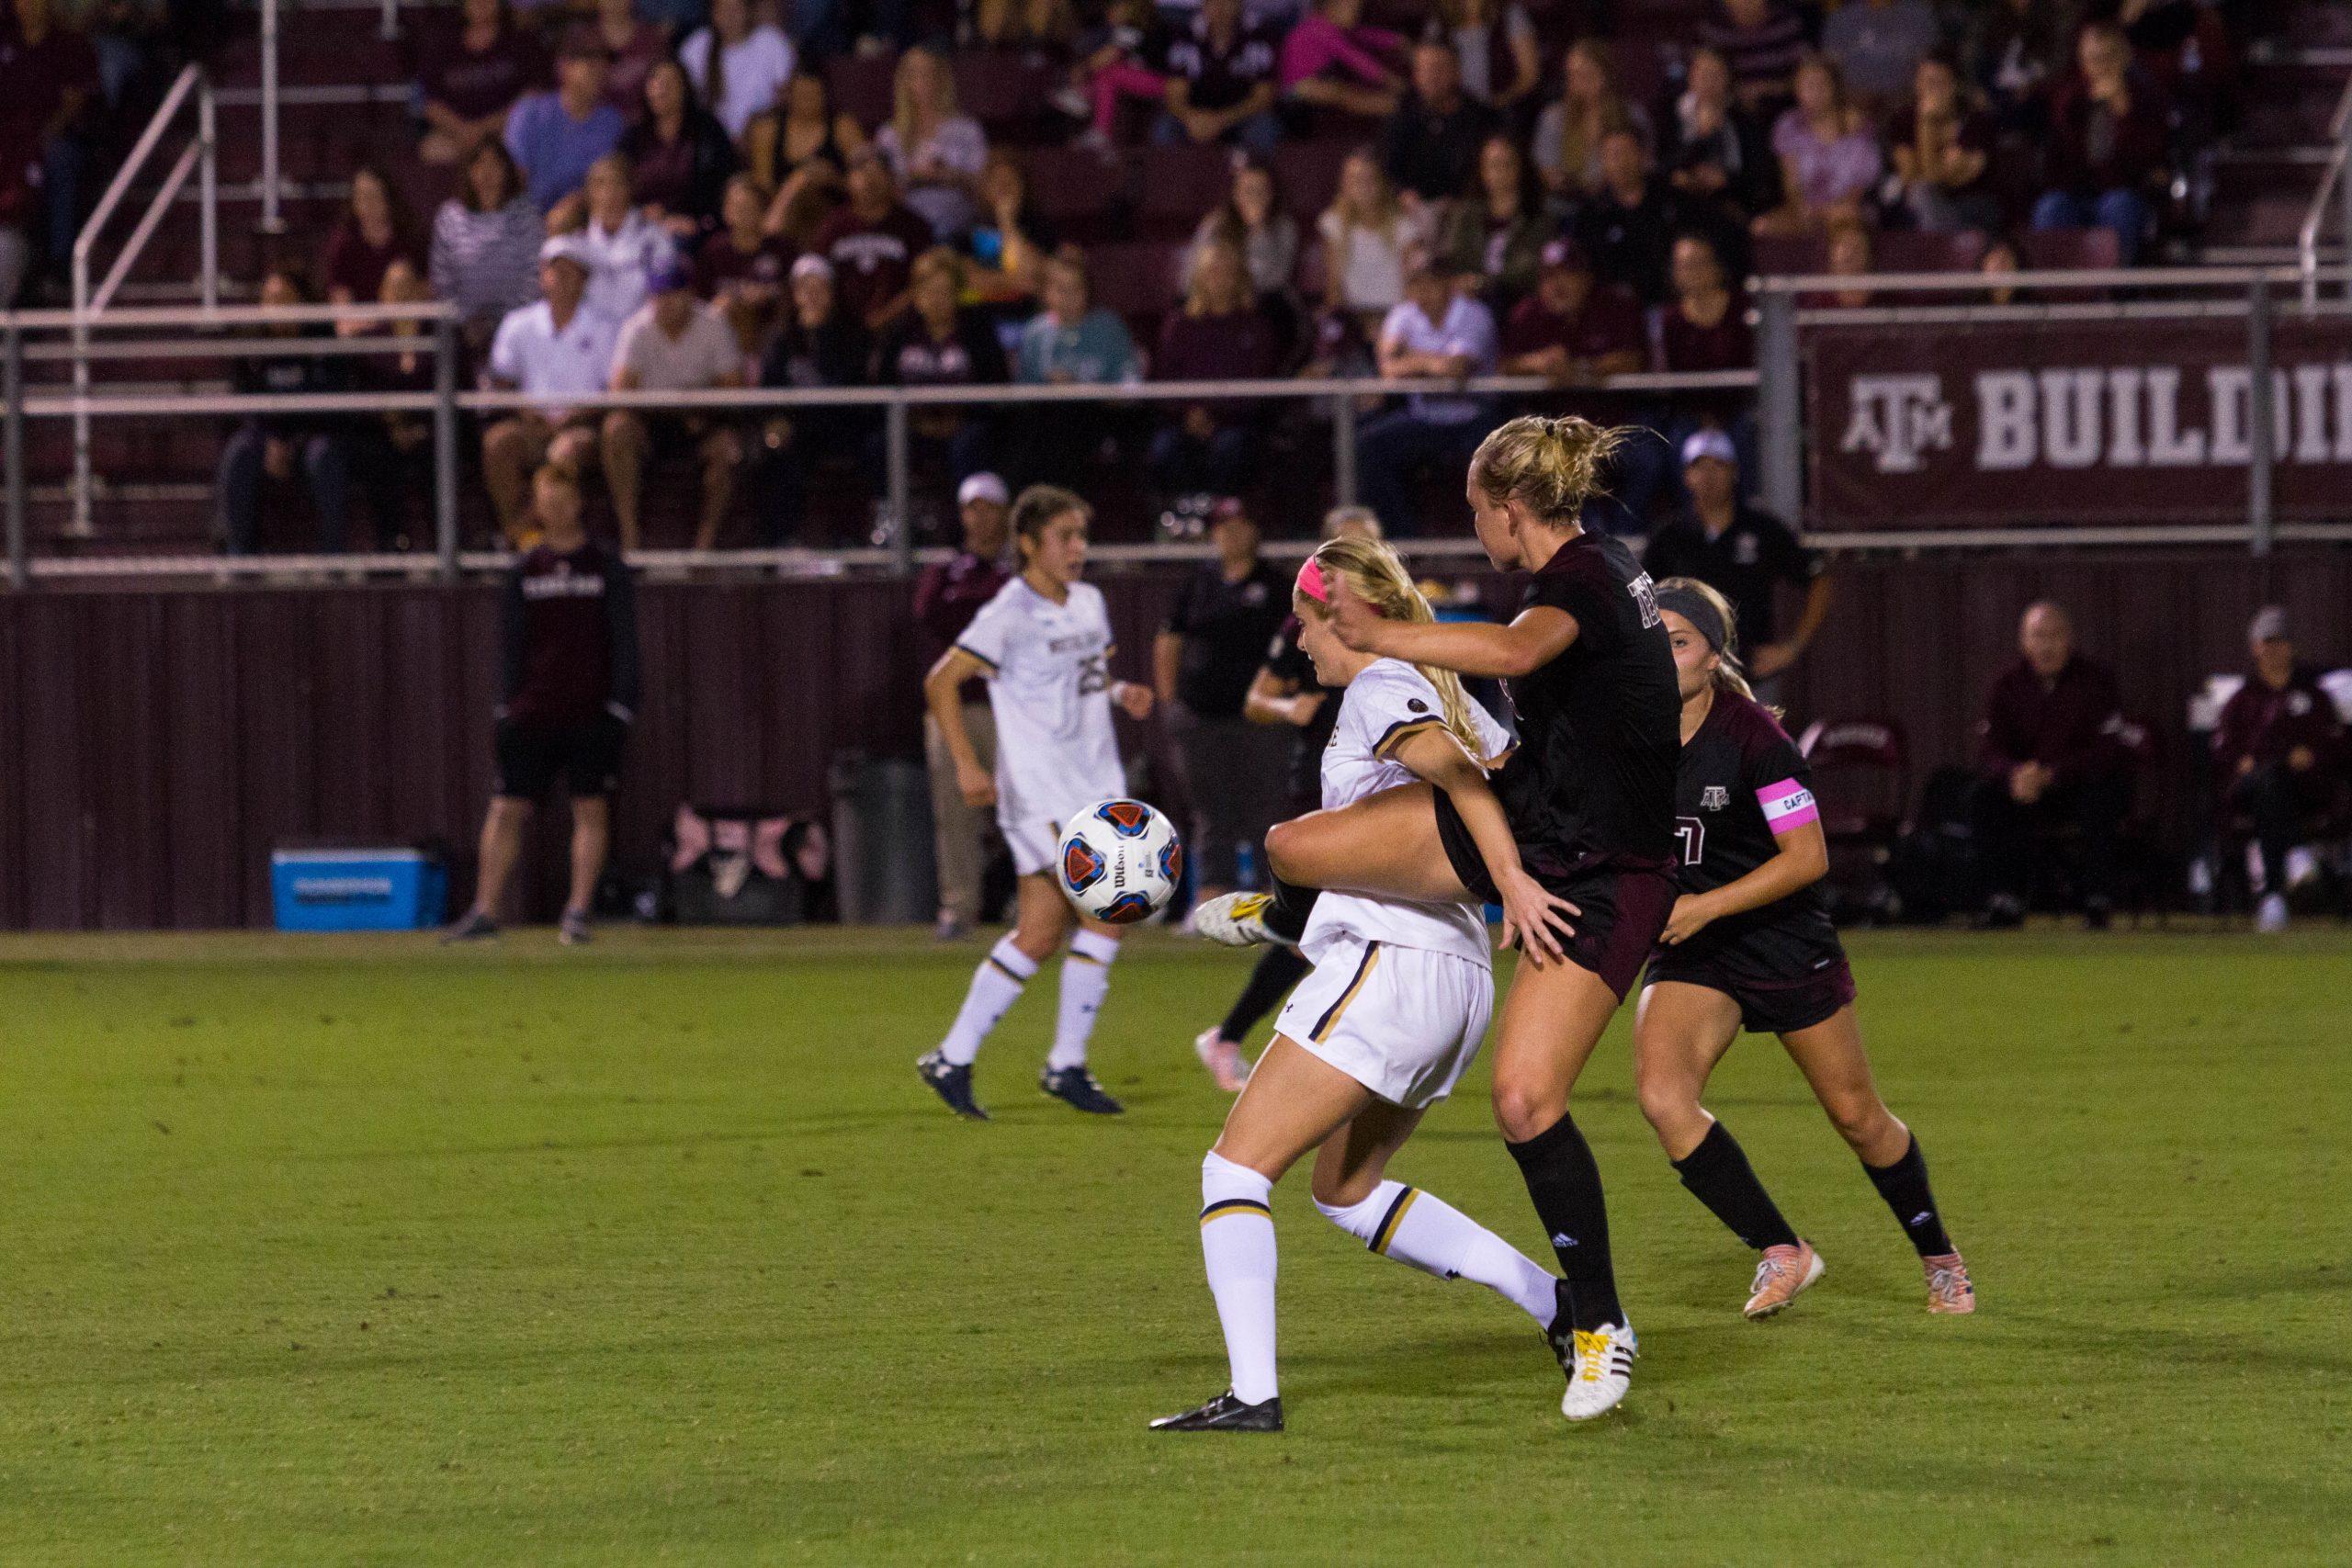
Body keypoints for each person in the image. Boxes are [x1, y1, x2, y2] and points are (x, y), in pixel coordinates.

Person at [1194, 414, 1681, 1421]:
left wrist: (1382, 636)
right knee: (1493, 1117)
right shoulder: (1593, 577)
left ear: (1510, 507)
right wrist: (1511, 867)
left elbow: (1505, 667)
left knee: (1290, 849)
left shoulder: (1574, 584)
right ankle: (1581, 1314)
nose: (1473, 527)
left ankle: (1272, 912)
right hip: (1531, 877)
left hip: (1569, 880)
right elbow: (1503, 738)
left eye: (1475, 510)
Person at [1151, 536, 1564, 1435]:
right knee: (1344, 1189)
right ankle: (1554, 1304)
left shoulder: (1382, 683)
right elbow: (1486, 782)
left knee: (1233, 1168)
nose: (1300, 643)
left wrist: (1509, 882)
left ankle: (1252, 1394)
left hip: (1390, 965)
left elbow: (1453, 778)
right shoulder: (1456, 689)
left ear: (1340, 611)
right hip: (1452, 980)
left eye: (1304, 621)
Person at [1634, 577, 1976, 1320]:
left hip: (1779, 938)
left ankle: (1940, 1257)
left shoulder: (1758, 739)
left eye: (1680, 641)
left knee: (1857, 1116)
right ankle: (1782, 1249)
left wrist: (1703, 906)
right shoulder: (1632, 735)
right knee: (1663, 1097)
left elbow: (1807, 857)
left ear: (1713, 654)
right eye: (1650, 638)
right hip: (1696, 950)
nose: (1662, 655)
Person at [916, 485, 1159, 1120]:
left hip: (1094, 784)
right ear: (1029, 544)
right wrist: (968, 762)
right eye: (1065, 537)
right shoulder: (1009, 611)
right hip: (1041, 791)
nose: (1078, 548)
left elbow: (1088, 674)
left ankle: (954, 1056)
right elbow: (940, 680)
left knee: (1041, 932)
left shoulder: (1088, 601)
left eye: (1082, 535)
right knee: (1108, 912)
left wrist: (1121, 690)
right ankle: (1065, 1063)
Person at [1193, 503, 1383, 1093]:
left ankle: (1249, 1030)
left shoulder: (1396, 622)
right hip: (1322, 783)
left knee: (1344, 926)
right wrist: (1288, 706)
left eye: (1368, 550)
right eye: (1345, 552)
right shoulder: (1304, 624)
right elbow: (1257, 699)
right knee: (1333, 924)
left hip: (1384, 782)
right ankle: (1241, 1035)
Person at [444, 461, 639, 948]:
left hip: (590, 713)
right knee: (507, 807)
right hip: (532, 713)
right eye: (543, 501)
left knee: (589, 808)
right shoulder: (524, 572)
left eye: (560, 499)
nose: (552, 509)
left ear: (577, 503)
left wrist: (621, 707)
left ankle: (577, 912)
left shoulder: (605, 567)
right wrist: (504, 709)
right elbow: (511, 645)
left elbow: (625, 641)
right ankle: (486, 910)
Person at [1156, 498, 1292, 905]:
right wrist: (1170, 703)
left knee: (1268, 808)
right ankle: (1213, 902)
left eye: (1241, 525)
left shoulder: (1277, 585)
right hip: (1200, 716)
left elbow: (1299, 644)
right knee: (1210, 813)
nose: (1232, 534)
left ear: (1255, 531)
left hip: (1262, 718)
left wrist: (1281, 696)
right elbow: (1169, 641)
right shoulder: (1197, 584)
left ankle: (1277, 903)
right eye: (1224, 526)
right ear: (1213, 533)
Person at [1971, 601, 2132, 931]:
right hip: (2026, 790)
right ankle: (2003, 899)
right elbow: (1989, 749)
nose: (2046, 645)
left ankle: (2097, 899)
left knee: (2104, 795)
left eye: (2054, 636)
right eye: (2038, 636)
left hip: (2077, 785)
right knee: (1982, 797)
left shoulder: (2096, 681)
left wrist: (2054, 774)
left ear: (2069, 639)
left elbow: (2106, 748)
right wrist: (2014, 774)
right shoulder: (2006, 685)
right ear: (2024, 642)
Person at [1640, 431, 1828, 697]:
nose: (1710, 475)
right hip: (1686, 681)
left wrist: (1792, 647)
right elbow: (1640, 598)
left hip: (1751, 677)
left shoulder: (1762, 530)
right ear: (1687, 476)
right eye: (1700, 466)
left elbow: (1819, 578)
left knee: (1758, 738)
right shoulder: (1669, 536)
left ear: (1735, 473)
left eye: (1719, 465)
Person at [916, 474, 1014, 941]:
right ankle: (959, 907)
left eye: (990, 507)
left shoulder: (1021, 570)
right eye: (973, 507)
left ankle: (1040, 904)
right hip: (957, 706)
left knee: (1031, 810)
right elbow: (932, 616)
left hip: (1015, 708)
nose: (982, 517)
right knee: (953, 811)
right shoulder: (945, 572)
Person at [2215, 607, 2347, 934]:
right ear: (2254, 647)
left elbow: (2335, 742)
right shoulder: (2241, 700)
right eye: (2266, 643)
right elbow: (2222, 747)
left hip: (2300, 789)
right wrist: (2238, 761)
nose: (2272, 651)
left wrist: (2312, 754)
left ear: (2290, 647)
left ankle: (2273, 899)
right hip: (2251, 786)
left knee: (2273, 789)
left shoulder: (2314, 697)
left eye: (2279, 642)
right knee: (2267, 779)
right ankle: (2297, 853)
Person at [482, 236, 620, 544]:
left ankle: (522, 534)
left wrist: (575, 417)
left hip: (583, 427)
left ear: (584, 280)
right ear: (543, 276)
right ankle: (522, 536)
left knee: (566, 451)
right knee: (499, 443)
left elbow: (614, 391)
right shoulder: (518, 324)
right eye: (555, 271)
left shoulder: (605, 327)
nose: (561, 279)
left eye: (571, 272)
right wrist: (524, 409)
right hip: (531, 425)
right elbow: (500, 382)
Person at [604, 258, 745, 551]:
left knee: (728, 448)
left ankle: (705, 545)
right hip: (651, 421)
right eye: (658, 295)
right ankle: (630, 539)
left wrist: (699, 407)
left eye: (672, 294)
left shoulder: (713, 324)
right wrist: (666, 404)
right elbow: (620, 393)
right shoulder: (638, 327)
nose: (664, 303)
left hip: (702, 422)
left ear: (689, 295)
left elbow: (733, 388)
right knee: (617, 429)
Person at [218, 267, 353, 556]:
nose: (276, 307)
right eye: (270, 299)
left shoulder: (322, 340)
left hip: (313, 433)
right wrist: (271, 439)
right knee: (239, 452)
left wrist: (293, 441)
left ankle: (334, 557)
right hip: (265, 437)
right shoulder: (250, 344)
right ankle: (240, 556)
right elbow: (241, 403)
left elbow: (331, 401)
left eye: (284, 299)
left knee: (324, 455)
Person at [1355, 265, 1498, 536]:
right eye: (1417, 285)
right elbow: (1388, 368)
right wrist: (1433, 362)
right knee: (1370, 445)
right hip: (1424, 418)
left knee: (1494, 459)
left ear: (1447, 284)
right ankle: (1402, 539)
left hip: (1474, 416)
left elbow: (1457, 369)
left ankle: (1489, 542)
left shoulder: (1473, 313)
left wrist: (1413, 358)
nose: (1423, 293)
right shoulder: (1404, 314)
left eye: (1431, 284)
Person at [752, 253, 871, 545]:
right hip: (797, 427)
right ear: (794, 294)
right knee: (774, 454)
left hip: (843, 423)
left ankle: (849, 541)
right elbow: (769, 389)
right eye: (806, 288)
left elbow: (852, 382)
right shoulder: (780, 337)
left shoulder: (853, 333)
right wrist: (774, 423)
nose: (813, 296)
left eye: (821, 288)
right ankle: (779, 541)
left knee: (863, 453)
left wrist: (822, 334)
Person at [1149, 238, 1281, 500]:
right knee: (1165, 448)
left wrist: (1218, 417)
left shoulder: (1255, 327)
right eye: (1212, 271)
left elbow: (1260, 384)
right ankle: (1186, 517)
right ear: (1198, 277)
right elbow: (1165, 377)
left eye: (1227, 271)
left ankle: (1224, 516)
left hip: (1237, 422)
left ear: (1239, 278)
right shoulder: (1179, 325)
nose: (1219, 278)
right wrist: (1190, 413)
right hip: (1183, 420)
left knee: (1230, 447)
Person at [874, 246, 1008, 491]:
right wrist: (914, 421)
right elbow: (881, 388)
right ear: (917, 295)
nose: (937, 300)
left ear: (958, 294)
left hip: (966, 427)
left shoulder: (978, 332)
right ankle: (898, 517)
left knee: (971, 445)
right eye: (929, 291)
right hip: (912, 428)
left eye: (945, 292)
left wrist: (960, 419)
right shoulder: (900, 334)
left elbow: (997, 387)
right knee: (879, 444)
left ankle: (964, 522)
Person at [2033, 21, 2167, 265]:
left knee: (2118, 205)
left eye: (2109, 57)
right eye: (2093, 59)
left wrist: (2123, 112)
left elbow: (2148, 162)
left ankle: (2115, 292)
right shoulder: (2071, 98)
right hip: (2076, 195)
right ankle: (2057, 294)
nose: (2101, 66)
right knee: (2050, 208)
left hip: (2126, 194)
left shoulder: (2146, 97)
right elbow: (2060, 158)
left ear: (2125, 57)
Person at [431, 137, 544, 354]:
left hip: (517, 329)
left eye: (494, 163)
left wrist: (503, 324)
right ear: (469, 171)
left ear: (507, 170)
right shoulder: (449, 217)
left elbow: (534, 276)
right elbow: (442, 280)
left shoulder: (527, 215)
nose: (486, 173)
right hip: (462, 333)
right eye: (479, 164)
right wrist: (465, 322)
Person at [1753, 52, 1882, 240]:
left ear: (1834, 88)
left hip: (1849, 210)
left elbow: (1859, 189)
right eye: (1808, 85)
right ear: (1797, 89)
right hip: (1805, 211)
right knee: (1761, 227)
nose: (1815, 92)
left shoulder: (1857, 126)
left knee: (1846, 218)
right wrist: (1804, 210)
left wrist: (1827, 212)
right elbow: (1791, 185)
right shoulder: (1788, 126)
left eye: (1822, 85)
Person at [1658, 44, 1781, 233]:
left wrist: (1727, 180)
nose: (1707, 81)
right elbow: (1664, 167)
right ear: (1691, 77)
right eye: (1701, 73)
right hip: (1680, 204)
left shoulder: (1744, 121)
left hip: (1732, 205)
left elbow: (1762, 177)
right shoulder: (1671, 114)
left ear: (1727, 80)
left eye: (1715, 74)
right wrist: (1702, 137)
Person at [810, 147, 935, 330]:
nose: (869, 181)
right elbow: (815, 274)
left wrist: (888, 315)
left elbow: (925, 280)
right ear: (848, 180)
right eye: (861, 173)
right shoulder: (833, 225)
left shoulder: (913, 225)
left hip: (901, 327)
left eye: (878, 173)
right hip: (840, 328)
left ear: (891, 179)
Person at [504, 28, 626, 216]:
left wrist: (575, 209)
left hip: (589, 225)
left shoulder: (613, 122)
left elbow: (613, 187)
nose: (600, 71)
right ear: (564, 67)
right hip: (529, 222)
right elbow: (512, 183)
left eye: (605, 65)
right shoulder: (530, 113)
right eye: (591, 63)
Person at [875, 45, 988, 243]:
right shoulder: (888, 135)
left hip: (958, 232)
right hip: (905, 232)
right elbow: (882, 188)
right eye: (914, 73)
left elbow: (983, 188)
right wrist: (911, 178)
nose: (922, 81)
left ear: (941, 78)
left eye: (928, 73)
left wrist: (952, 177)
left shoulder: (967, 129)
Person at [618, 58, 739, 243]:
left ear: (685, 88)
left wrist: (698, 223)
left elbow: (724, 183)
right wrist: (640, 213)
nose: (661, 89)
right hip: (640, 226)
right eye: (655, 82)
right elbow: (619, 183)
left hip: (695, 228)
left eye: (669, 82)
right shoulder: (634, 135)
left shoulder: (708, 131)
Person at [413, 0, 545, 166]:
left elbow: (533, 97)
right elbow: (430, 103)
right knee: (432, 150)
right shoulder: (443, 46)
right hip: (458, 137)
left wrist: (485, 129)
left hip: (508, 133)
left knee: (524, 147)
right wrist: (463, 131)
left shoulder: (522, 42)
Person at [744, 69, 865, 251]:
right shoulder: (768, 130)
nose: (808, 101)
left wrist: (832, 178)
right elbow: (763, 188)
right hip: (784, 219)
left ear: (826, 95)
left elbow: (867, 185)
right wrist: (796, 184)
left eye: (814, 95)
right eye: (802, 95)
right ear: (789, 95)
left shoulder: (843, 128)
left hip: (835, 217)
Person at [1500, 237, 1645, 386]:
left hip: (1606, 406)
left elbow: (1636, 361)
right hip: (1547, 408)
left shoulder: (1616, 305)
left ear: (1587, 277)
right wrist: (1540, 362)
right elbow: (1506, 366)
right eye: (1549, 276)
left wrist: (1583, 367)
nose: (1556, 285)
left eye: (1566, 274)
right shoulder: (1528, 312)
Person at [1885, 53, 1999, 234]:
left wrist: (1927, 123)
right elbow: (1911, 177)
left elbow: (1935, 178)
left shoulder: (1977, 122)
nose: (1931, 91)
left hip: (1971, 204)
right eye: (1926, 82)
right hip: (1918, 208)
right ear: (1916, 85)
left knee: (1924, 193)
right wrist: (1927, 122)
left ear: (1954, 86)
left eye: (1939, 83)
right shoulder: (1903, 121)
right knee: (1916, 196)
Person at [1154, 0, 1282, 157]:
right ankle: (1170, 180)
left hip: (1239, 115)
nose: (1221, 9)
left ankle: (1254, 179)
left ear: (1239, 6)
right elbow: (1174, 94)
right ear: (1204, 6)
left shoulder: (1258, 37)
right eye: (1214, 3)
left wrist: (1221, 120)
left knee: (1263, 125)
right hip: (1197, 116)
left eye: (1227, 3)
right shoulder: (1186, 36)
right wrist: (1192, 118)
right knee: (1165, 127)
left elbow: (1264, 96)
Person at [1378, 40, 1499, 205]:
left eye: (1438, 68)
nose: (1431, 76)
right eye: (1423, 69)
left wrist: (1461, 201)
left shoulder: (1481, 118)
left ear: (1456, 71)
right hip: (1414, 210)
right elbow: (1389, 168)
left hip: (1467, 209)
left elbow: (1487, 175)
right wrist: (1402, 192)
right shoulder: (1402, 114)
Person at [1572, 127, 1683, 306]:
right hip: (1617, 309)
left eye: (1627, 153)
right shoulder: (1591, 214)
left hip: (1671, 301)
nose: (1621, 162)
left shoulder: (1671, 199)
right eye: (1613, 155)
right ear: (1603, 162)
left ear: (1642, 156)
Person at [1532, 37, 1651, 203]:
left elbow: (1645, 164)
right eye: (1572, 75)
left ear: (1606, 74)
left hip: (1618, 201)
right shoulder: (1553, 117)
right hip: (1568, 202)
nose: (1578, 82)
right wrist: (1571, 184)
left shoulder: (1632, 115)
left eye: (1586, 74)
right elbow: (1545, 169)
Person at [1435, 134, 1546, 310]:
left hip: (1516, 301)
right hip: (1468, 299)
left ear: (1520, 168)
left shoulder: (1539, 217)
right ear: (1483, 171)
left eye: (1508, 164)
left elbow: (1532, 269)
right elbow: (1452, 257)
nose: (1501, 172)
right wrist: (1462, 281)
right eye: (1494, 165)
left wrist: (1483, 283)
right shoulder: (1465, 215)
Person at [1316, 146, 1418, 331]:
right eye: (1355, 180)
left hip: (1395, 316)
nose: (1362, 187)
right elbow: (1334, 284)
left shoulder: (1403, 226)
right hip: (1352, 317)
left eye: (1369, 179)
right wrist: (1349, 324)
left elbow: (1412, 284)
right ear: (1344, 184)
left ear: (1382, 183)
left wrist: (1392, 325)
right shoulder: (1333, 224)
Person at [571, 153, 677, 329]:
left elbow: (664, 296)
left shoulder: (655, 238)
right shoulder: (576, 244)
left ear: (630, 188)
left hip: (641, 338)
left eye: (617, 183)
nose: (609, 192)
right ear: (589, 193)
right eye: (600, 184)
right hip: (591, 341)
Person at [695, 172, 793, 355]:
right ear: (726, 211)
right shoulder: (714, 250)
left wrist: (767, 295)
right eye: (737, 207)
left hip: (773, 335)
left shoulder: (782, 249)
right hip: (724, 337)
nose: (743, 214)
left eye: (750, 207)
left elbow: (793, 293)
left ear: (763, 210)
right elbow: (699, 300)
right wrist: (727, 302)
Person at [321, 165, 423, 335]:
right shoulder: (343, 245)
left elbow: (424, 296)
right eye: (362, 197)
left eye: (375, 196)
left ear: (388, 198)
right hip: (363, 338)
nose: (369, 204)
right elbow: (343, 318)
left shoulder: (409, 239)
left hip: (407, 332)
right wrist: (377, 325)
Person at [677, 0, 794, 145]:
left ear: (748, 12)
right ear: (713, 14)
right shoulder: (696, 46)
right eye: (724, 10)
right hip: (711, 141)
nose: (730, 16)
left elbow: (787, 95)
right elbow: (682, 97)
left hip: (762, 138)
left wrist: (757, 124)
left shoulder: (770, 41)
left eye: (736, 9)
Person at [1279, 0, 1406, 125]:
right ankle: (1403, 107)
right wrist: (1394, 82)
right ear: (1332, 7)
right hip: (1292, 92)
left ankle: (1403, 106)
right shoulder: (1321, 29)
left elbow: (1367, 36)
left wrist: (1398, 41)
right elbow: (1357, 60)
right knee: (1339, 92)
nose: (1356, 13)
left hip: (1313, 83)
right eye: (1349, 7)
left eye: (1358, 7)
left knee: (1338, 88)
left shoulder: (1335, 28)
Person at [1820, 0, 1940, 118]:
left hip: (1909, 108)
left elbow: (1931, 70)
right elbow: (1831, 72)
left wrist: (1905, 97)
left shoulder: (1920, 16)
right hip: (1853, 111)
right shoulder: (1842, 18)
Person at [1698, 0, 1808, 116]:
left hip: (1785, 107)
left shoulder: (1786, 24)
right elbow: (1705, 75)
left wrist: (1768, 89)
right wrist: (1736, 92)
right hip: (1727, 109)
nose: (1746, 2)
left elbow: (1804, 75)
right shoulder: (1714, 29)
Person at [588, 0, 666, 116]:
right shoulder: (584, 41)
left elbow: (665, 84)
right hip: (594, 124)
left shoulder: (652, 40)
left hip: (643, 124)